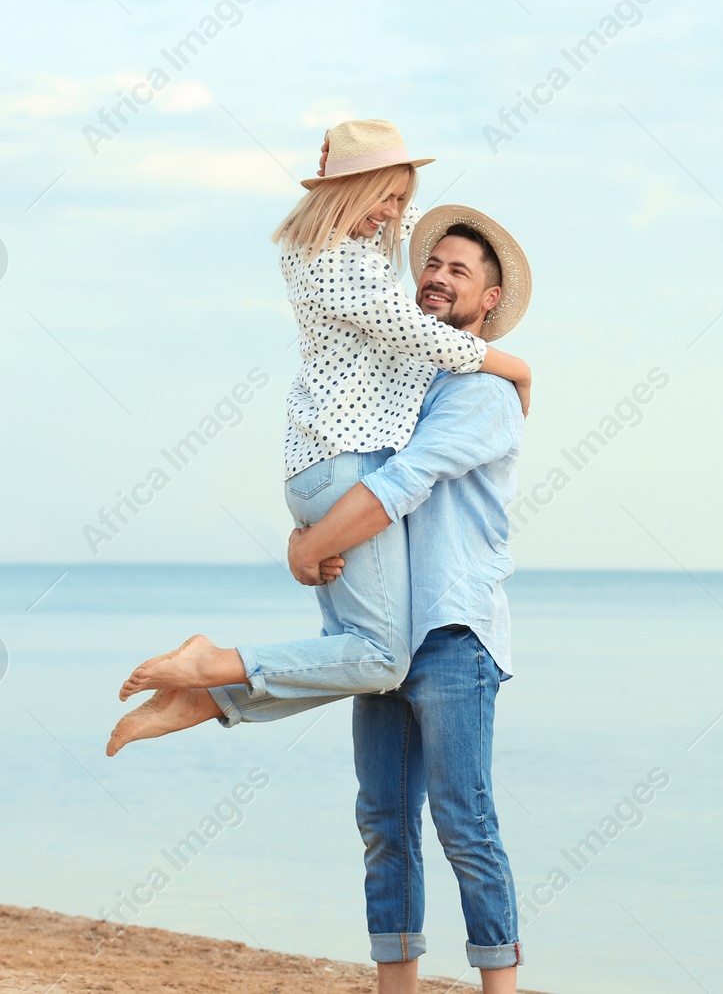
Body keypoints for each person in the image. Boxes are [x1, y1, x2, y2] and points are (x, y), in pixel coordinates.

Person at [106, 204, 532, 994]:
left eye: (458, 270)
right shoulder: (400, 380)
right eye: (430, 264)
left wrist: (309, 544)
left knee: (465, 824)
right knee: (383, 825)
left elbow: (396, 486)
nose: (435, 277)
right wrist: (315, 539)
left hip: (453, 633)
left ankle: (497, 989)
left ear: (490, 298)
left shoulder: (482, 396)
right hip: (391, 631)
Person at [107, 121, 530, 753]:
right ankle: (213, 666)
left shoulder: (319, 248)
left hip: (315, 471)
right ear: (349, 193)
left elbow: (408, 219)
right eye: (381, 198)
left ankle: (206, 698)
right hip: (351, 469)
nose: (392, 215)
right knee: (382, 661)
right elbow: (437, 341)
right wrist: (521, 370)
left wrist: (355, 170)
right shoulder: (351, 272)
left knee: (351, 657)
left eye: (398, 198)